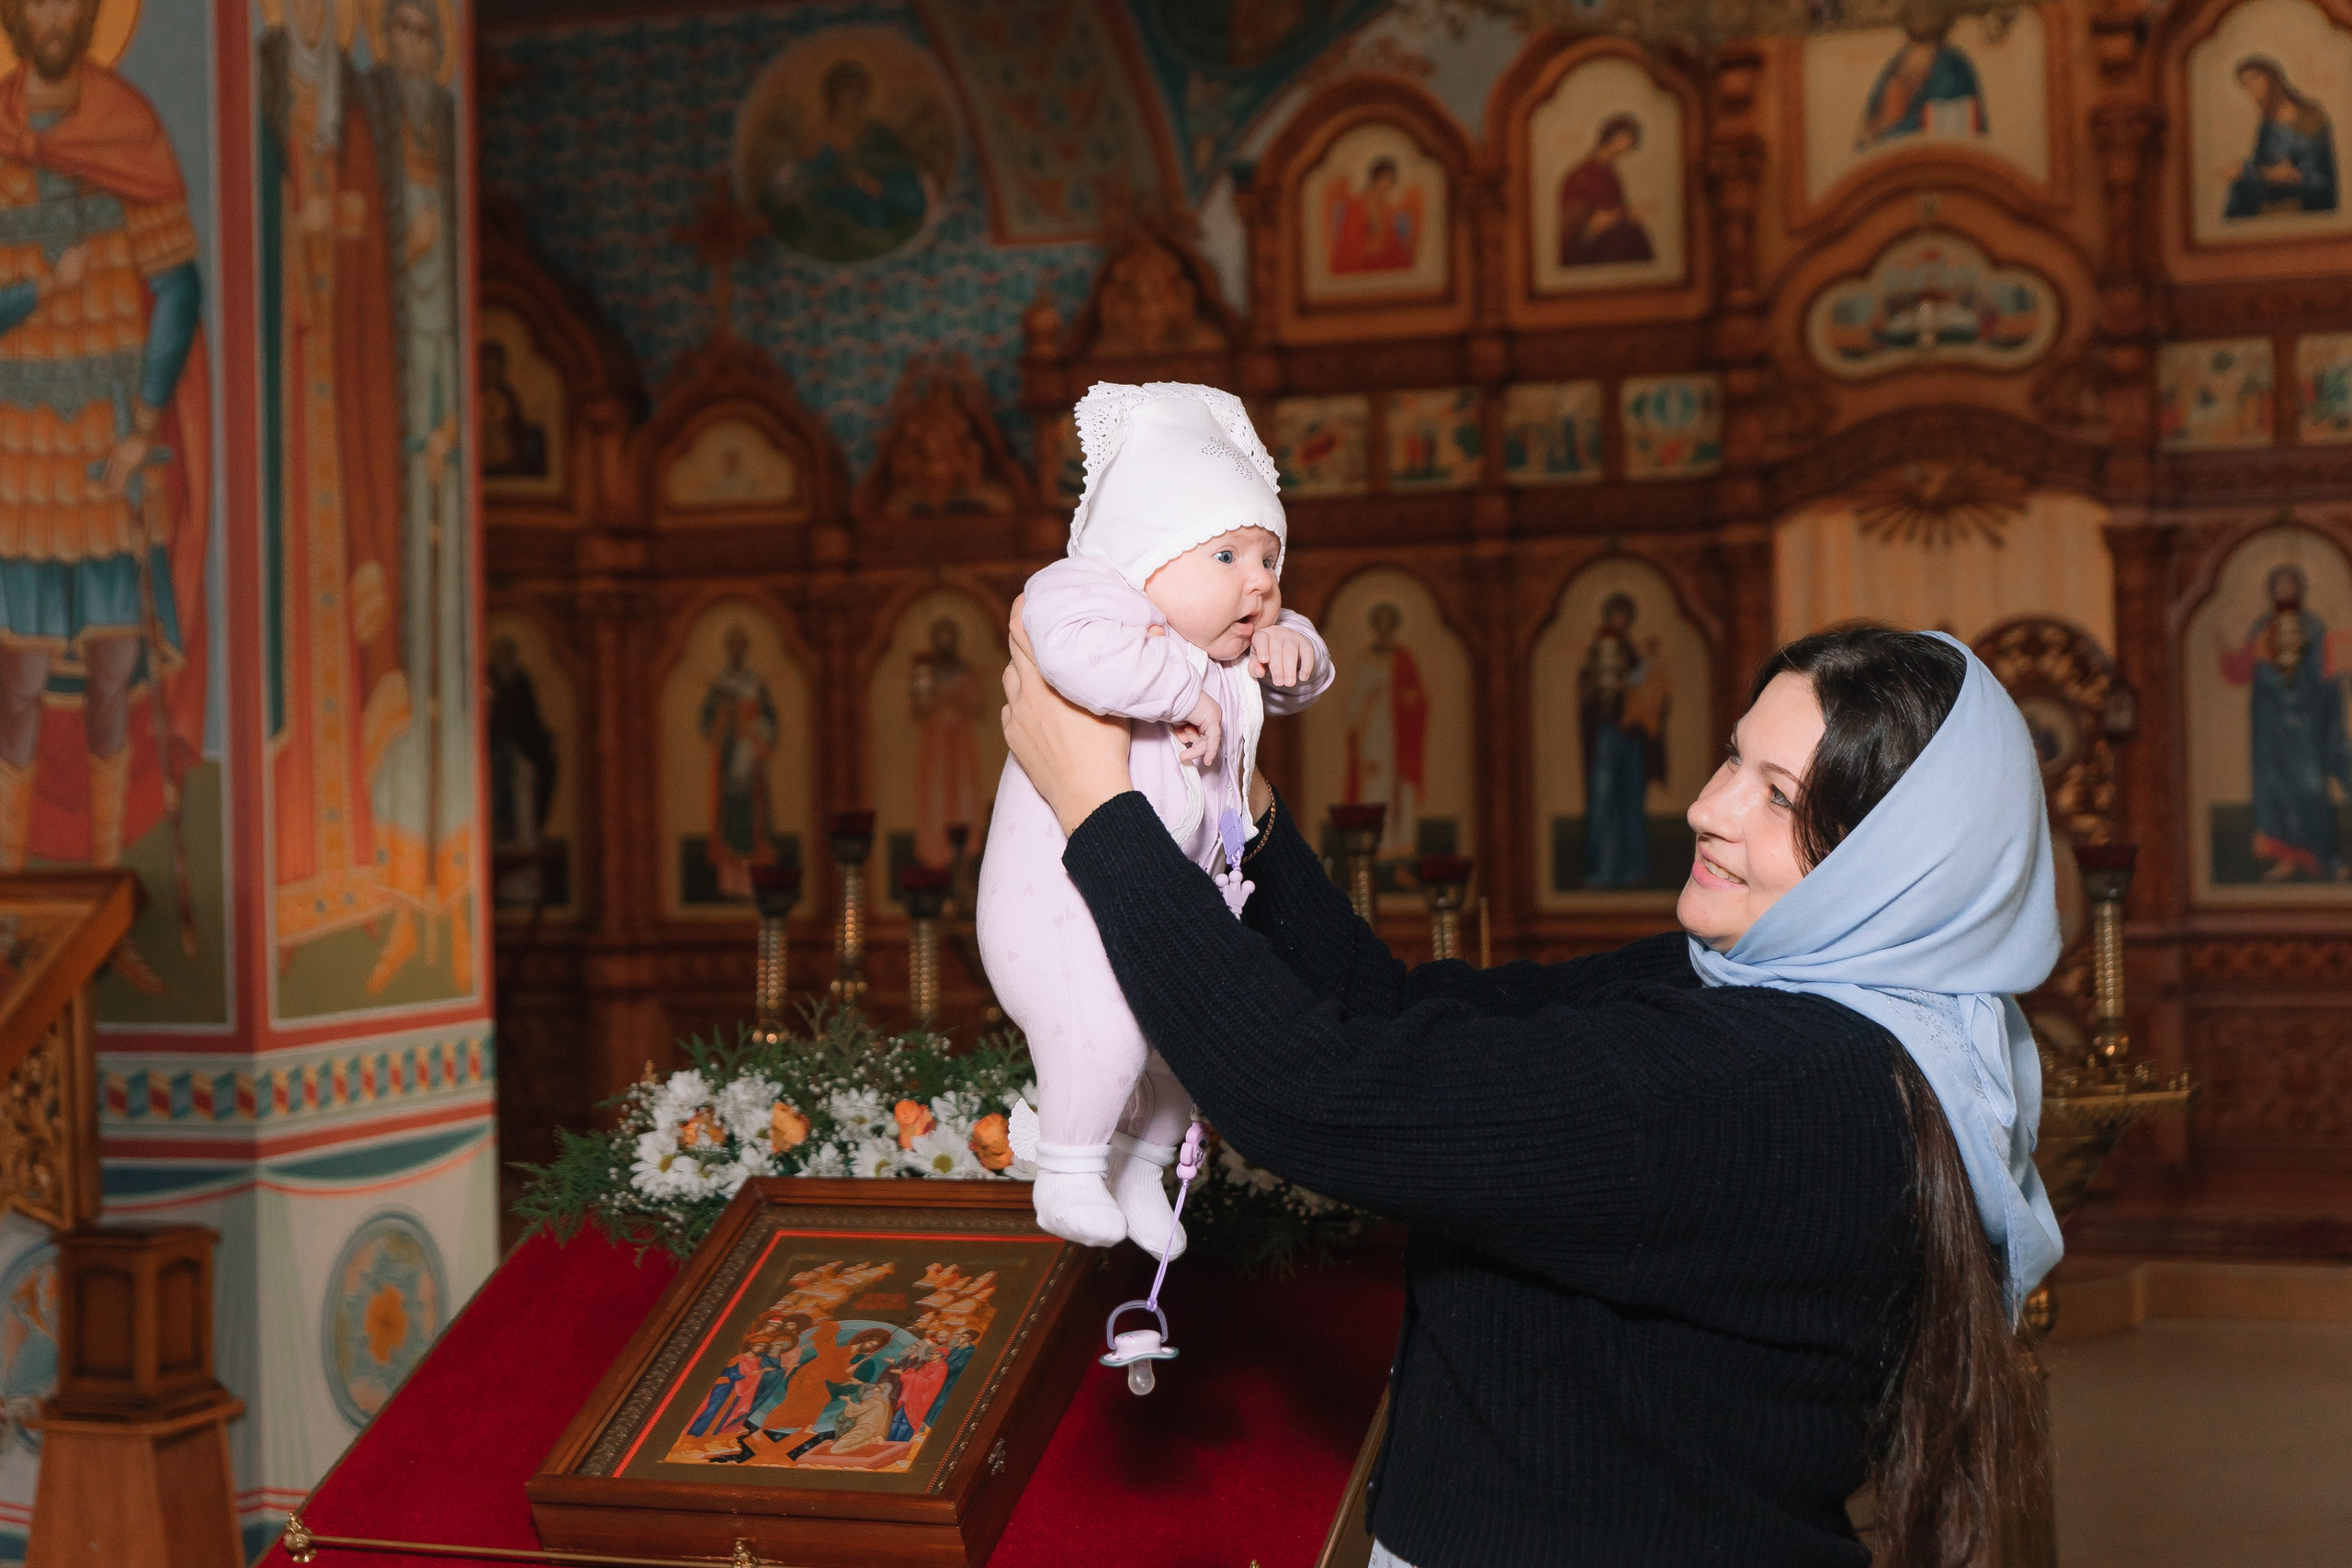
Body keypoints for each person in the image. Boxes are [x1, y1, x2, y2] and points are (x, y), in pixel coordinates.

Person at [1000, 620, 2058, 1566]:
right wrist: (1238, 796)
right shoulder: (1755, 990)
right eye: (1733, 756)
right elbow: (1394, 1012)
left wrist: (1102, 811)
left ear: (1897, 866)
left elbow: (1315, 1092)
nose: (1706, 807)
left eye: (1778, 797)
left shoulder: (1772, 1082)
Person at [978, 382, 1335, 1259]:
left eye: (1271, 559)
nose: (1260, 581)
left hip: (1144, 914)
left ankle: (1139, 1171)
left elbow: (1299, 674)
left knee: (1183, 1044)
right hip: (1056, 914)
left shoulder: (1225, 648)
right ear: (1144, 556)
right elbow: (1073, 650)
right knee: (1102, 1033)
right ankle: (1068, 1171)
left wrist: (1295, 652)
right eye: (1229, 555)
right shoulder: (1086, 595)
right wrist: (1180, 688)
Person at [0, 0, 213, 993]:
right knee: (17, 685)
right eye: (33, 0)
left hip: (110, 453)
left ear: (92, 14)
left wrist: (144, 421)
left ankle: (100, 905)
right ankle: (12, 909)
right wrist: (46, 284)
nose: (51, 15)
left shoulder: (130, 127)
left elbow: (178, 285)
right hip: (19, 459)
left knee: (113, 682)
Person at [2219, 565, 2351, 881]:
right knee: (2275, 788)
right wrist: (2237, 653)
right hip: (2271, 725)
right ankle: (2288, 859)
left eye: (2290, 586)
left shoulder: (2314, 627)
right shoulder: (2262, 628)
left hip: (2306, 723)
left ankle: (2327, 857)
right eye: (2279, 587)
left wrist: (2334, 677)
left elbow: (2322, 674)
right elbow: (2246, 671)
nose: (2285, 592)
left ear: (2300, 590)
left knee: (2311, 787)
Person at [1577, 593, 1668, 887]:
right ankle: (1601, 870)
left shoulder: (1632, 652)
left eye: (1624, 614)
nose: (1619, 620)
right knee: (1604, 801)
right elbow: (1588, 691)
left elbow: (1648, 690)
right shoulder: (1598, 652)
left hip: (1631, 735)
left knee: (1631, 800)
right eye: (1615, 614)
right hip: (1606, 733)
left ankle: (1635, 868)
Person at [698, 626, 778, 900]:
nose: (735, 651)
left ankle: (754, 882)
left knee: (753, 822)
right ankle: (730, 883)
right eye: (731, 646)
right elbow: (707, 721)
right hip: (727, 761)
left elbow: (770, 722)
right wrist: (723, 717)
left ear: (744, 650)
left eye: (739, 646)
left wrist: (755, 727)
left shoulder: (756, 684)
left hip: (751, 762)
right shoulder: (719, 685)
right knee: (728, 821)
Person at [2223, 55, 2338, 220]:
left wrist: (2294, 176)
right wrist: (2246, 169)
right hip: (2272, 191)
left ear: (2272, 77)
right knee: (2241, 186)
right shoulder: (2268, 123)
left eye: (2255, 78)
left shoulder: (2309, 116)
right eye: (2245, 84)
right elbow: (2261, 163)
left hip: (2308, 195)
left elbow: (2321, 179)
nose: (2251, 87)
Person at [1859, 12, 1984, 148]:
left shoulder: (1951, 67)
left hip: (1928, 149)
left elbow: (1959, 130)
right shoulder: (1902, 63)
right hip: (1902, 148)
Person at [1556, 114, 1653, 267]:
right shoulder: (1582, 176)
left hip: (1611, 244)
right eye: (1627, 139)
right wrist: (1628, 214)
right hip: (1594, 254)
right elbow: (1592, 224)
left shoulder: (1608, 172)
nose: (1628, 146)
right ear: (1615, 136)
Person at [1325, 156, 1421, 275]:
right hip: (1359, 261)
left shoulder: (1385, 207)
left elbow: (1391, 239)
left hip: (1383, 257)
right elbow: (1350, 245)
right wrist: (1369, 249)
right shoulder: (1355, 206)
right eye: (1384, 180)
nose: (1387, 186)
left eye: (1390, 182)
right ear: (1375, 179)